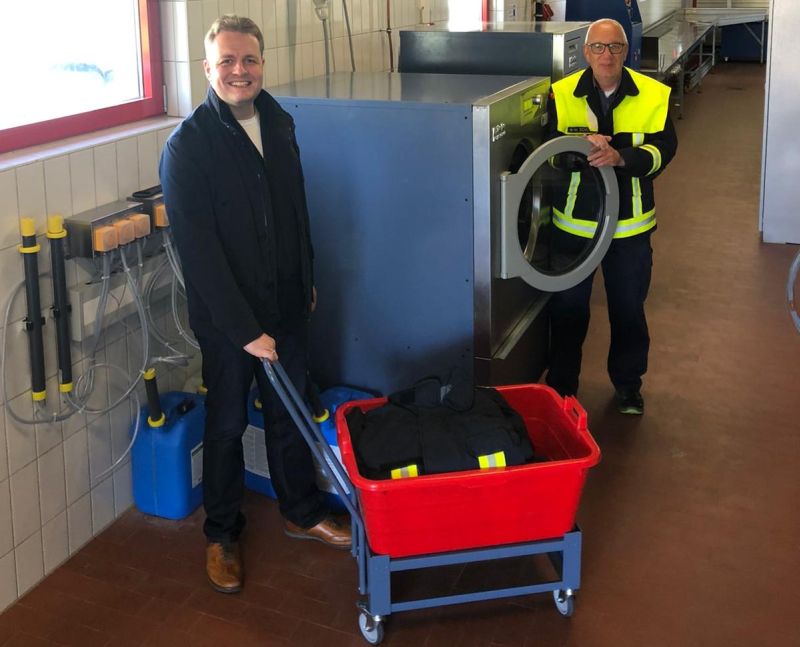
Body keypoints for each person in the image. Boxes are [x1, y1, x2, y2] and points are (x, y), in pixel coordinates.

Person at [159, 15, 351, 595]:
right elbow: (199, 254)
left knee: (291, 412)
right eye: (227, 62)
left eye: (249, 60)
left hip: (286, 302)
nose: (239, 71)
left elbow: (295, 211)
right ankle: (221, 533)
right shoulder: (187, 147)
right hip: (228, 321)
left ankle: (299, 510)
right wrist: (245, 329)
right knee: (226, 422)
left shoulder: (278, 120)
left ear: (261, 63)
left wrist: (306, 278)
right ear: (208, 68)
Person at [543, 18, 678, 414]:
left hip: (630, 227)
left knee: (628, 308)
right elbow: (549, 152)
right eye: (599, 48)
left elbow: (663, 150)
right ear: (585, 53)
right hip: (574, 225)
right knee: (568, 310)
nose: (607, 55)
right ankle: (562, 388)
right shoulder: (561, 94)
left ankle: (628, 386)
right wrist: (577, 146)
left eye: (615, 47)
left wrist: (623, 157)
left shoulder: (654, 95)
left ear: (627, 51)